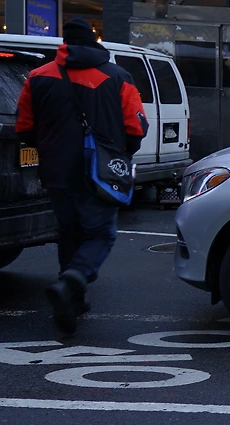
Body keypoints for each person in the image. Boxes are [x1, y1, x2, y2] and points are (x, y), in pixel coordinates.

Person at [15, 19, 149, 334]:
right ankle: (73, 281)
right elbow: (136, 127)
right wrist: (120, 153)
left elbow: (24, 128)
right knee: (101, 234)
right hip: (99, 171)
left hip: (55, 169)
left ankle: (73, 300)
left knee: (69, 233)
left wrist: (48, 147)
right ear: (93, 42)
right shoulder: (117, 76)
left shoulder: (38, 76)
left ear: (65, 43)